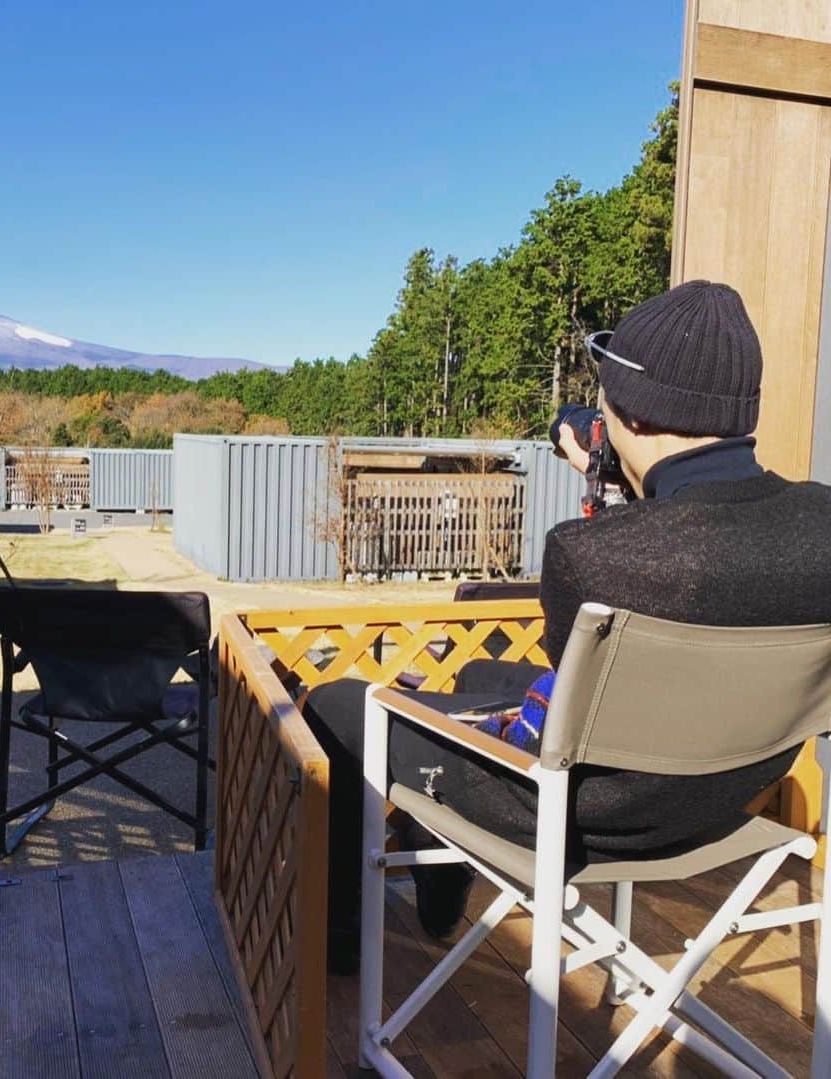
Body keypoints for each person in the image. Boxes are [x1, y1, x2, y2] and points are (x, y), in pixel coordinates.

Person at [304, 280, 831, 973]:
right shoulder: (819, 525)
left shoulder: (588, 553)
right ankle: (439, 872)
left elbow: (582, 702)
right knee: (477, 674)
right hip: (722, 803)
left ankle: (339, 940)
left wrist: (615, 495)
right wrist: (640, 482)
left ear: (631, 421)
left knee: (336, 702)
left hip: (581, 816)